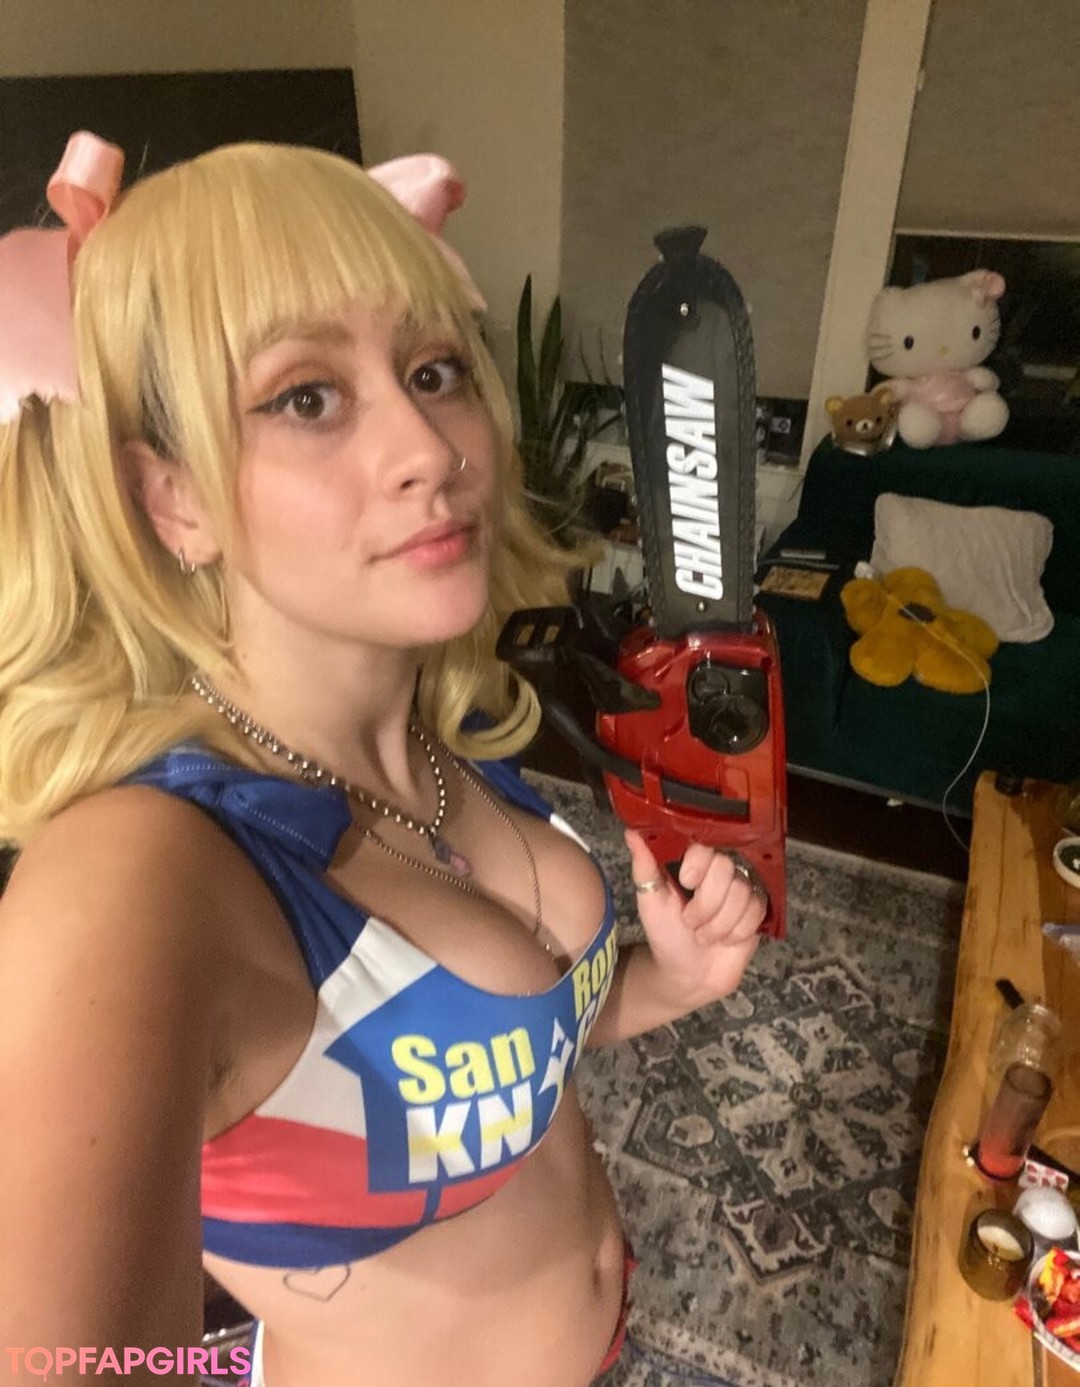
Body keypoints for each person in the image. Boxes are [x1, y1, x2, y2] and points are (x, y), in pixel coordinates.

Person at [0, 131, 765, 1387]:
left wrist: (661, 982)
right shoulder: (137, 884)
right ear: (171, 497)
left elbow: (512, 1053)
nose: (432, 447)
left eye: (432, 369)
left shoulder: (436, 739)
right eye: (306, 397)